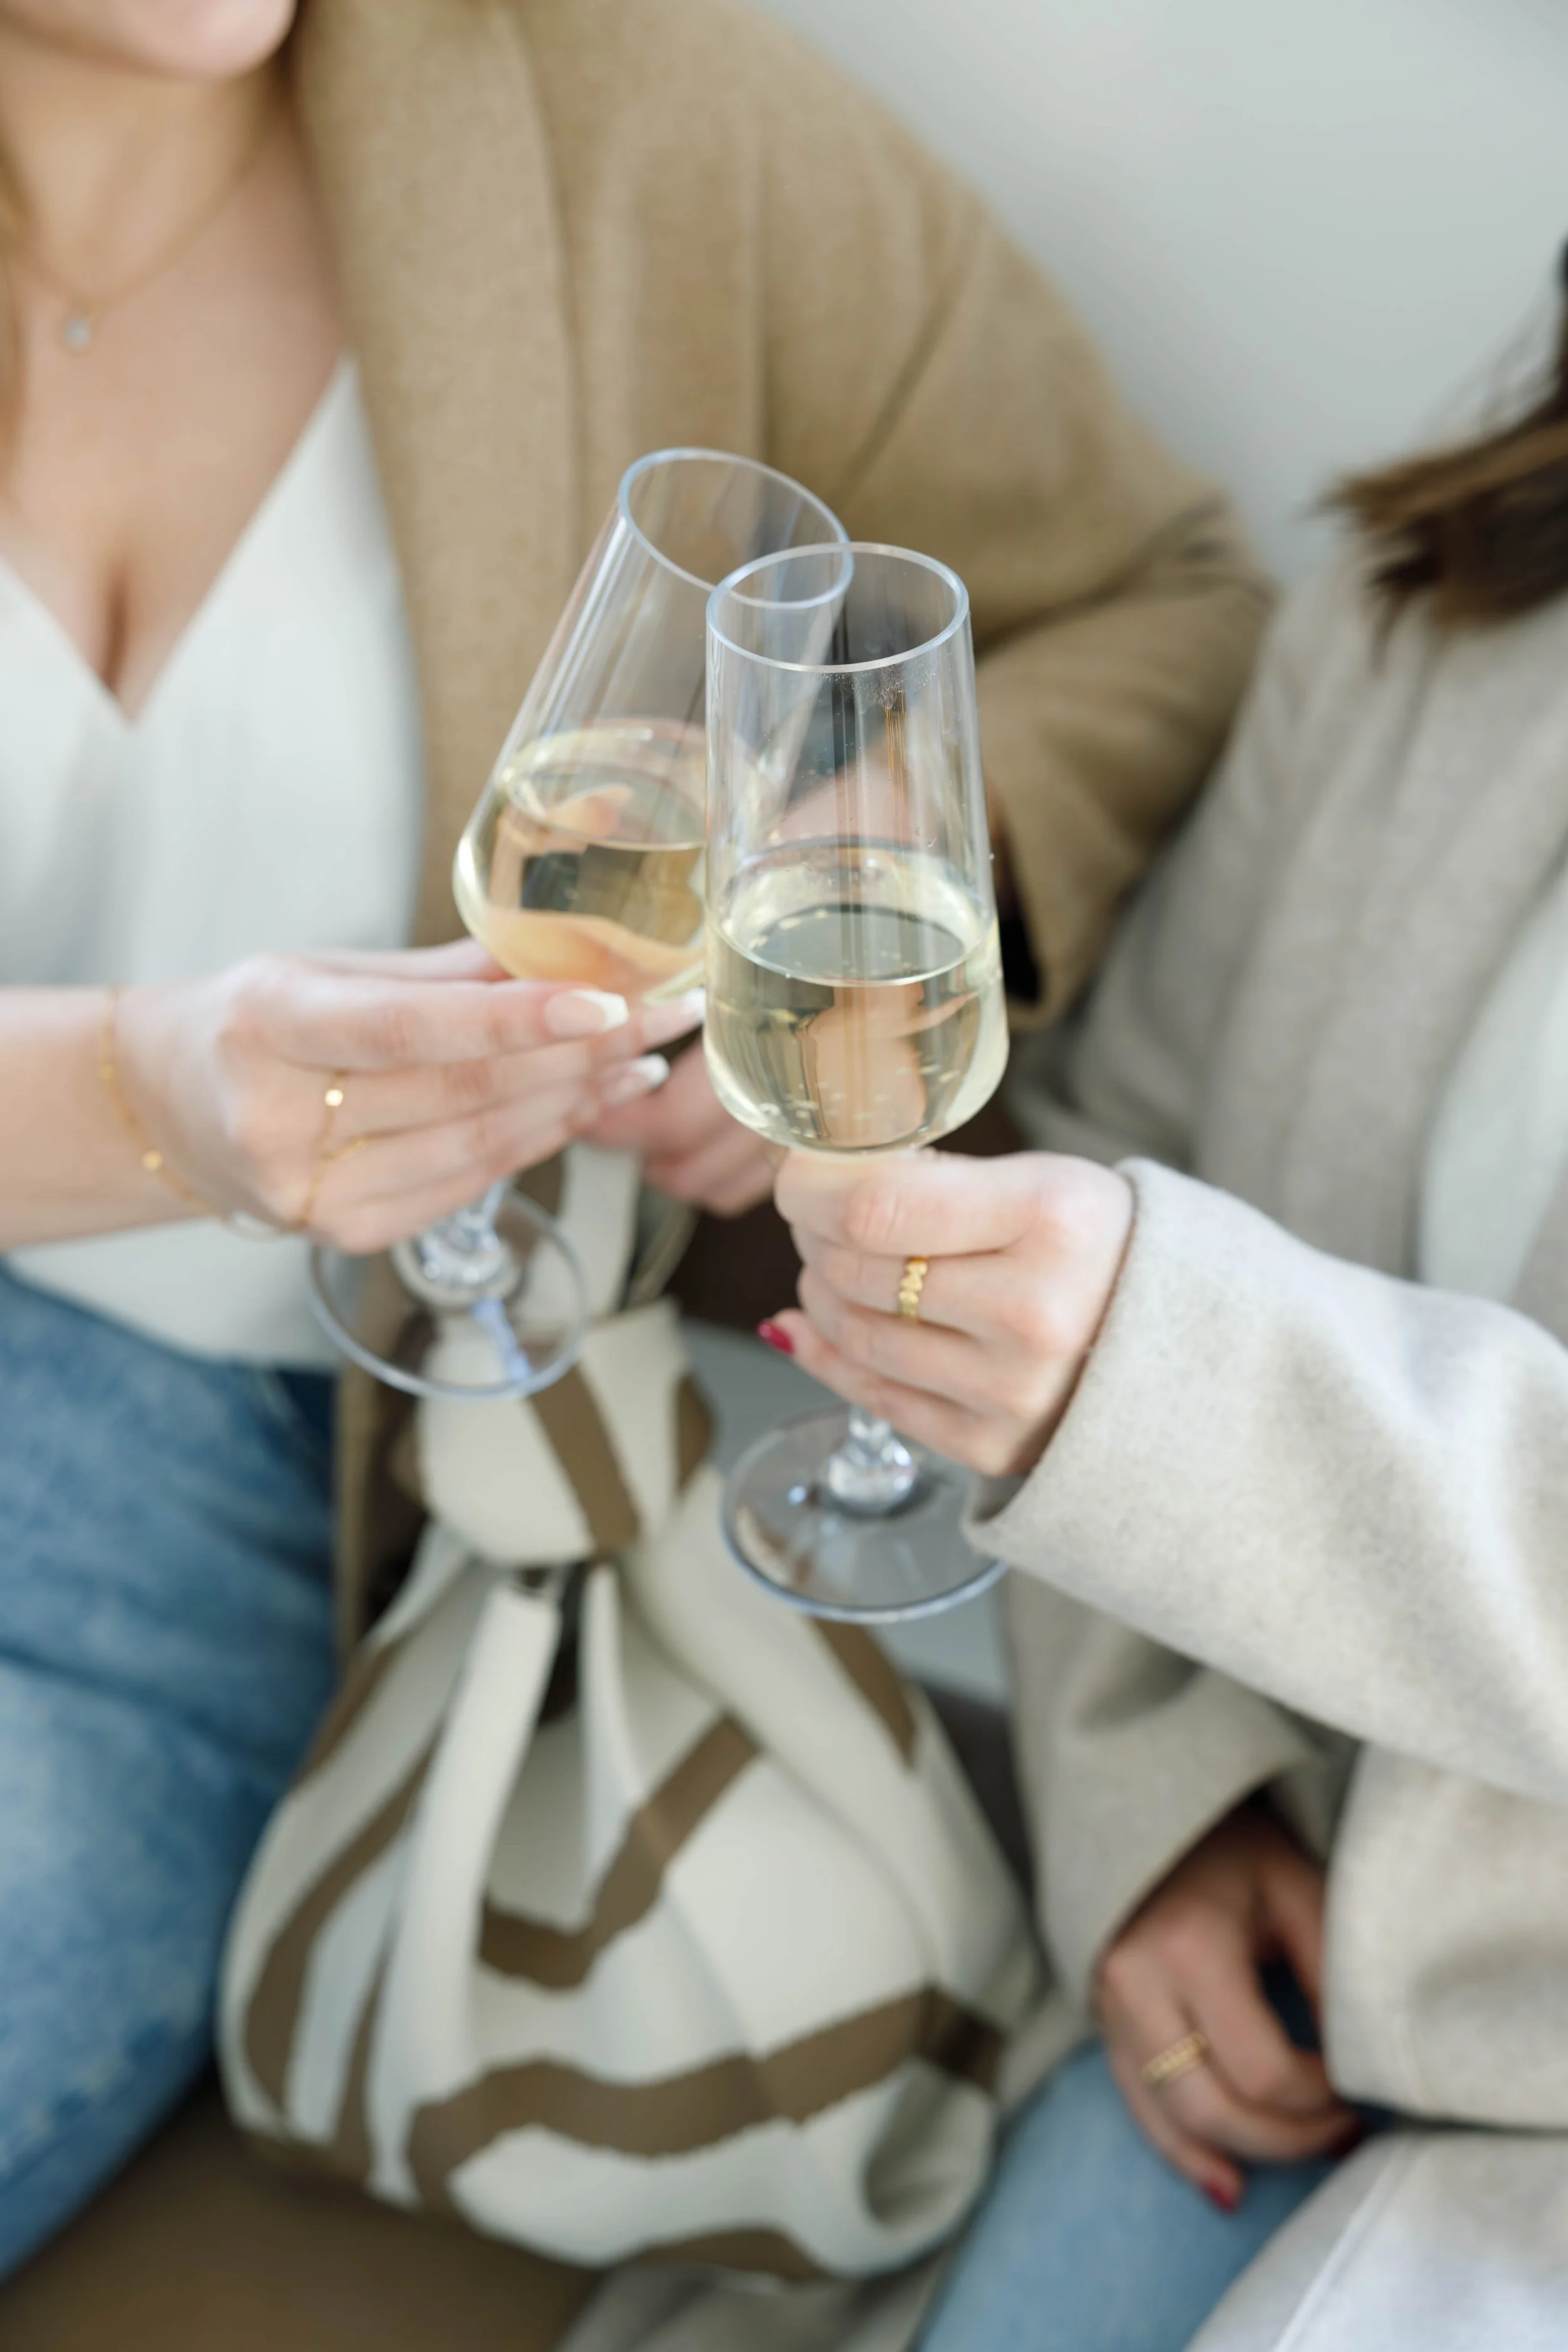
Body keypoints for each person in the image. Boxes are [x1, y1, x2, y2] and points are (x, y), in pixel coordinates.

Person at [0, 0, 1266, 2283]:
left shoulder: (631, 117)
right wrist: (144, 1091)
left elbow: (1154, 603)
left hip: (194, 1524)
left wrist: (861, 857)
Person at [768, 259, 1568, 2351]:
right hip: (1271, 1958)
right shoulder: (1425, 619)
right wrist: (1153, 1808)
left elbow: (1159, 1341)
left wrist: (1168, 1383)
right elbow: (1137, 1126)